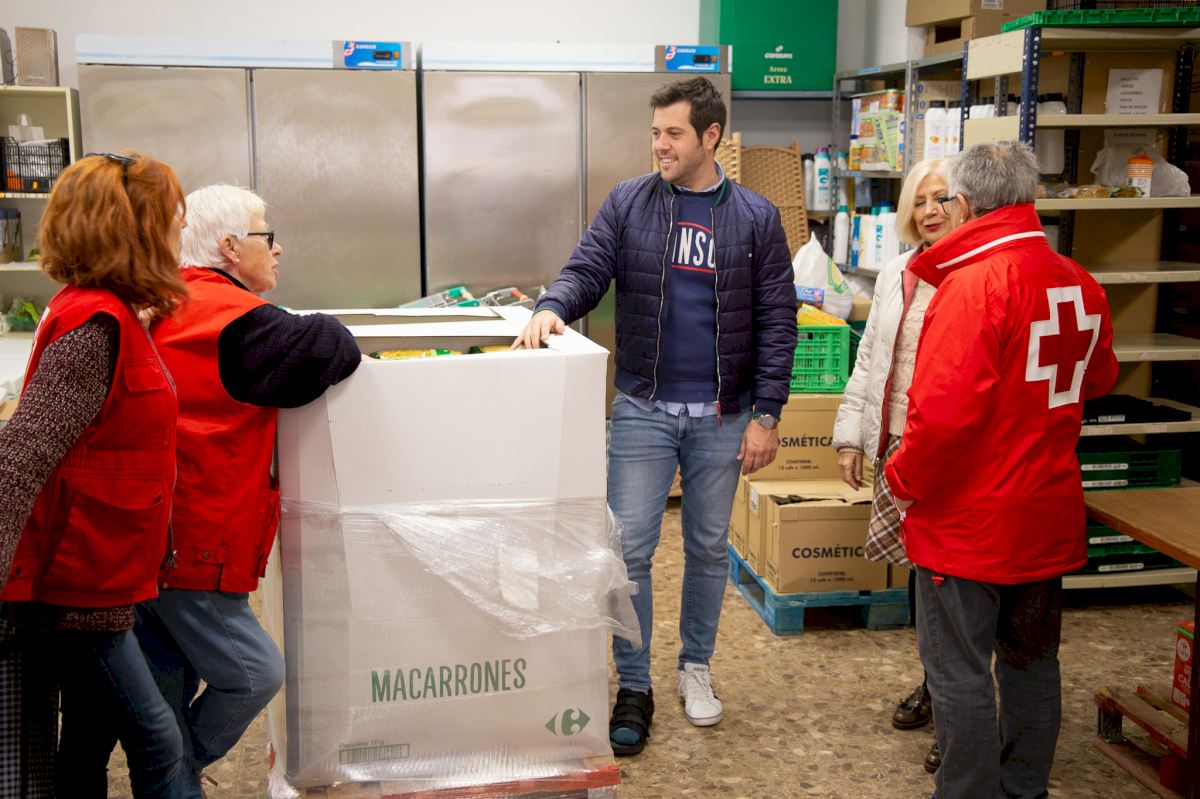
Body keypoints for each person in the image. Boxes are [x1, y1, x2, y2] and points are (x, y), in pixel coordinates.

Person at [513, 76, 796, 755]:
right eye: (655, 133)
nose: (659, 145)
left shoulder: (755, 218)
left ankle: (695, 666)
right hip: (643, 407)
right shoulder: (629, 203)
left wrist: (767, 414)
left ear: (710, 136)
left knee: (707, 547)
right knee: (630, 549)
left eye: (673, 134)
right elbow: (588, 268)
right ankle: (634, 685)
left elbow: (778, 320)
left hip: (724, 415)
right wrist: (552, 305)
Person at [884, 141, 1119, 799]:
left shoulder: (973, 286)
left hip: (968, 524)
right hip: (1046, 511)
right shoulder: (1079, 281)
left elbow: (941, 417)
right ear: (1030, 196)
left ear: (963, 204)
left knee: (958, 670)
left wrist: (902, 482)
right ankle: (1024, 789)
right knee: (1033, 663)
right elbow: (1099, 378)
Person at [114, 184, 361, 795]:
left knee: (168, 680)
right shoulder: (238, 321)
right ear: (229, 247)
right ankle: (176, 769)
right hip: (200, 546)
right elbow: (334, 344)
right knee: (255, 673)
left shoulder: (168, 301)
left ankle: (169, 776)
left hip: (151, 537)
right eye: (266, 236)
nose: (277, 249)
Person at [0, 151, 194, 798]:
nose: (179, 227)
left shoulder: (107, 313)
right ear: (132, 228)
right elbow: (19, 457)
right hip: (79, 587)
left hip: (102, 571)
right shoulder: (94, 328)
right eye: (169, 215)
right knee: (157, 739)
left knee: (86, 741)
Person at [831, 157, 951, 774]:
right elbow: (870, 360)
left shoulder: (972, 275)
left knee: (953, 588)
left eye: (942, 198)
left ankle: (959, 716)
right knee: (922, 580)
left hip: (948, 451)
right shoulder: (897, 272)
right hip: (898, 445)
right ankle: (935, 685)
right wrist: (852, 437)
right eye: (920, 200)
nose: (930, 210)